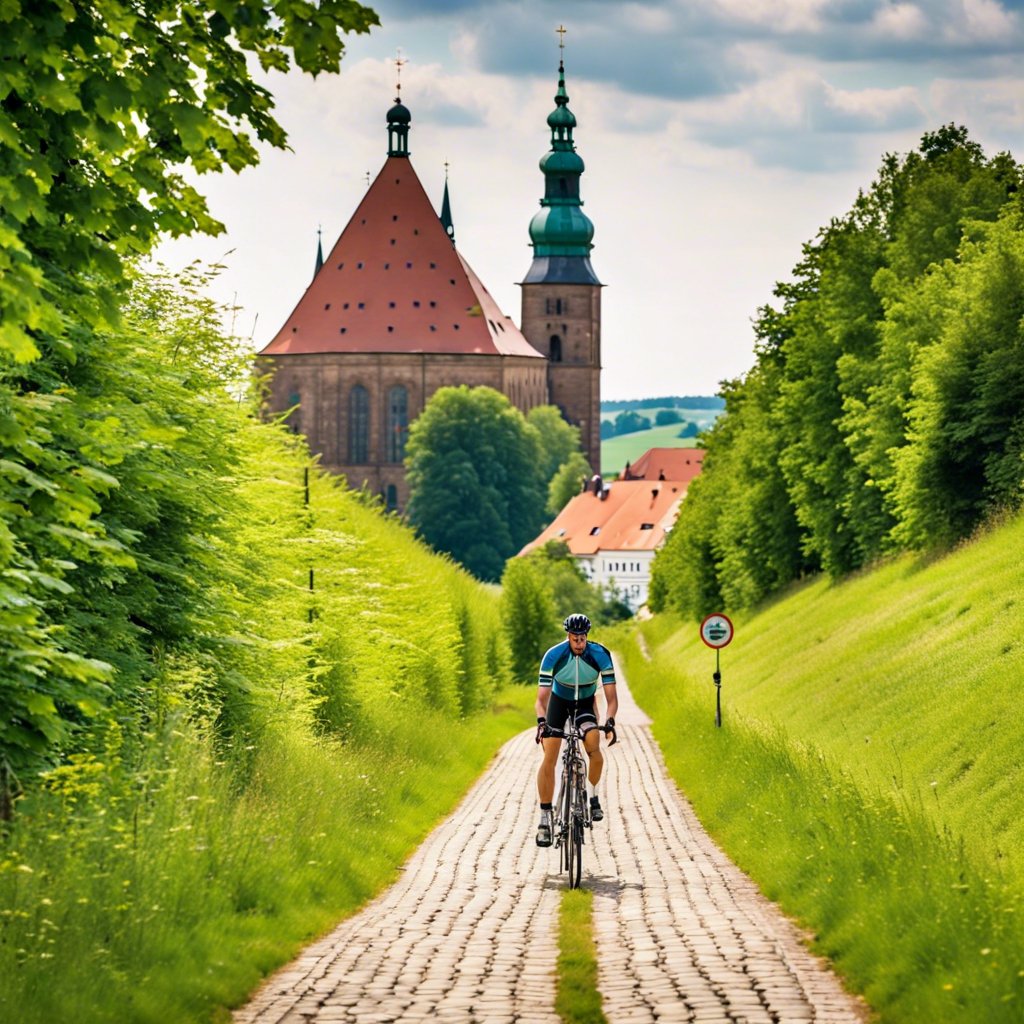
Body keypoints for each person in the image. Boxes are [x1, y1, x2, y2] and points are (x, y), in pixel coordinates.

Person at [534, 613, 618, 847]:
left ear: (587, 637)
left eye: (582, 638)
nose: (579, 643)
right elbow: (541, 699)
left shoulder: (600, 655)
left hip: (584, 705)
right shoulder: (553, 655)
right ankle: (544, 817)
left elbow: (612, 698)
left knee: (593, 744)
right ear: (568, 636)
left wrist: (610, 721)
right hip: (558, 705)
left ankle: (592, 797)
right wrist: (542, 721)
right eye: (574, 638)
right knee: (549, 756)